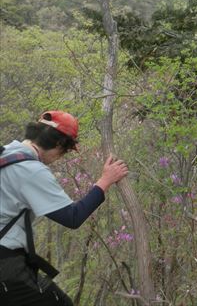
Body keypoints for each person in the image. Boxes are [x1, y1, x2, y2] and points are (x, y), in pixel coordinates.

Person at [0, 110, 128, 305]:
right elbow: (72, 217)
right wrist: (105, 181)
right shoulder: (31, 170)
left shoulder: (6, 152)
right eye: (66, 151)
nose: (61, 157)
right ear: (59, 144)